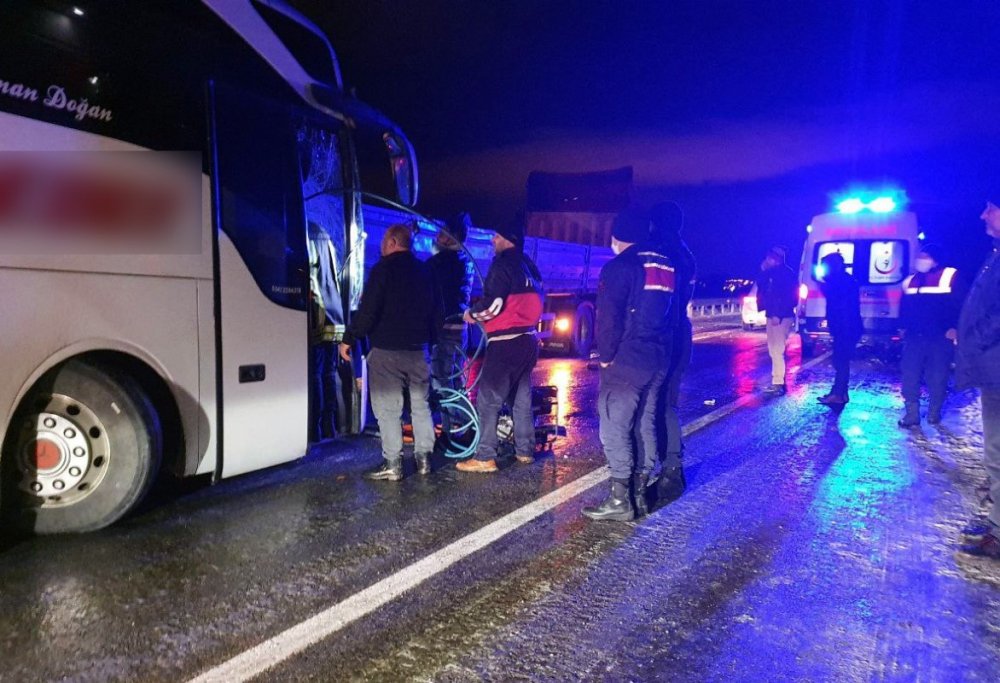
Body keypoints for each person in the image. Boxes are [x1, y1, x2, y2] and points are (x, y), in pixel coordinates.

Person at [583, 207, 675, 521]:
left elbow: (607, 318)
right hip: (659, 356)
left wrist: (606, 357)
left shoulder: (621, 266)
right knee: (644, 423)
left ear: (618, 236)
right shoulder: (664, 263)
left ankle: (620, 499)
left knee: (614, 426)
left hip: (628, 359)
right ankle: (639, 491)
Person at [339, 224, 442, 481]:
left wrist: (349, 339)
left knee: (388, 409)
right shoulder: (426, 271)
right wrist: (428, 341)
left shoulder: (382, 270)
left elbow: (368, 312)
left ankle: (393, 464)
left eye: (385, 240)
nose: (383, 245)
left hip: (386, 353)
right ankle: (424, 460)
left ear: (394, 242)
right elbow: (438, 311)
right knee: (421, 406)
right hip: (419, 352)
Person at [457, 215, 544, 473]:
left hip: (505, 343)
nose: (493, 239)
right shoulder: (529, 265)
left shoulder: (502, 264)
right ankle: (525, 451)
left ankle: (484, 456)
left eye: (497, 235)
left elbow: (493, 304)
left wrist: (471, 314)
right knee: (520, 398)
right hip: (528, 341)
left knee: (488, 400)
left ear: (507, 238)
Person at [957, 200, 1000, 559]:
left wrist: (975, 339)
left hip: (996, 365)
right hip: (993, 367)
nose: (983, 214)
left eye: (990, 208)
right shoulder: (995, 254)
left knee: (998, 450)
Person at [649, 201, 695, 504]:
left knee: (661, 405)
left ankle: (671, 470)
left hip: (665, 335)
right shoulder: (685, 253)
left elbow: (656, 304)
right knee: (667, 402)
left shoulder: (663, 254)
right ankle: (669, 464)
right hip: (680, 333)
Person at [897, 243, 964, 427]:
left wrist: (954, 327)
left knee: (937, 376)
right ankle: (912, 414)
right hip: (914, 337)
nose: (920, 259)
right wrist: (902, 327)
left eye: (924, 255)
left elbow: (960, 305)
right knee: (910, 375)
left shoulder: (949, 276)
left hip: (940, 337)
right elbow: (904, 307)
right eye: (920, 255)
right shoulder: (910, 280)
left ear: (935, 258)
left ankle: (934, 412)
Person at [427, 212, 475, 451]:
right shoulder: (465, 260)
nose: (436, 236)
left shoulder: (441, 263)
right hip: (459, 331)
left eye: (440, 232)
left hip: (444, 331)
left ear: (449, 237)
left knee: (442, 385)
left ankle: (461, 429)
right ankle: (456, 431)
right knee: (454, 383)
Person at [308, 222, 343, 442]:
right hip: (334, 312)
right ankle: (330, 425)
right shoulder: (325, 236)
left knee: (316, 374)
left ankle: (315, 429)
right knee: (329, 373)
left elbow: (307, 266)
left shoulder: (307, 233)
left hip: (318, 312)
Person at [816, 252, 861, 406]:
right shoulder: (846, 279)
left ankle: (838, 394)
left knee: (840, 361)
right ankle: (841, 392)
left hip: (845, 327)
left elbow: (832, 295)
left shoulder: (840, 282)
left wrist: (820, 282)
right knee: (842, 361)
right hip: (847, 326)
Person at [756, 246, 798, 395]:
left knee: (777, 349)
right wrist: (763, 270)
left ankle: (779, 383)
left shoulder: (785, 274)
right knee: (773, 350)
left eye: (770, 258)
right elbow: (761, 286)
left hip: (780, 316)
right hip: (773, 314)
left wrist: (777, 314)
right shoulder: (772, 273)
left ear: (777, 259)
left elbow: (787, 296)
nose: (767, 260)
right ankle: (777, 381)